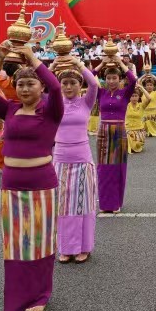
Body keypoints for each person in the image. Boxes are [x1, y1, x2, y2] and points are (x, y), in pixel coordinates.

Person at [0, 42, 63, 311]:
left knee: (39, 242)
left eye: (31, 84)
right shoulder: (10, 109)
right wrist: (1, 58)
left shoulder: (51, 111)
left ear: (41, 87)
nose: (25, 89)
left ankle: (40, 295)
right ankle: (18, 297)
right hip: (11, 186)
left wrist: (33, 58)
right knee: (15, 243)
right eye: (20, 85)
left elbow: (57, 88)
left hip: (42, 185)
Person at [51, 58, 98, 264]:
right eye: (65, 83)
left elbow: (94, 83)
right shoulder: (54, 102)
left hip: (82, 160)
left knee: (83, 204)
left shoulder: (86, 102)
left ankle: (84, 247)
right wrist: (53, 67)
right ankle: (66, 248)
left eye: (73, 83)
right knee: (62, 206)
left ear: (80, 85)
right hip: (60, 160)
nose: (68, 87)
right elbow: (41, 85)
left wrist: (79, 65)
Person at [94, 56, 136, 213]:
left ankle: (116, 202)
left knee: (117, 168)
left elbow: (133, 80)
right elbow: (88, 78)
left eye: (114, 78)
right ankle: (105, 204)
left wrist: (120, 63)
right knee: (103, 168)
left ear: (120, 79)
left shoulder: (125, 93)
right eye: (108, 78)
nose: (111, 81)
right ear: (105, 80)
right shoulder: (101, 92)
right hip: (103, 133)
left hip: (119, 133)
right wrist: (102, 64)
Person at [126, 85, 151, 154]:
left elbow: (149, 98)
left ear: (139, 96)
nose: (134, 98)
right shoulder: (126, 105)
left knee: (137, 145)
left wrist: (142, 88)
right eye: (132, 96)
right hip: (128, 129)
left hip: (139, 130)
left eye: (136, 96)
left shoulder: (141, 105)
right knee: (126, 137)